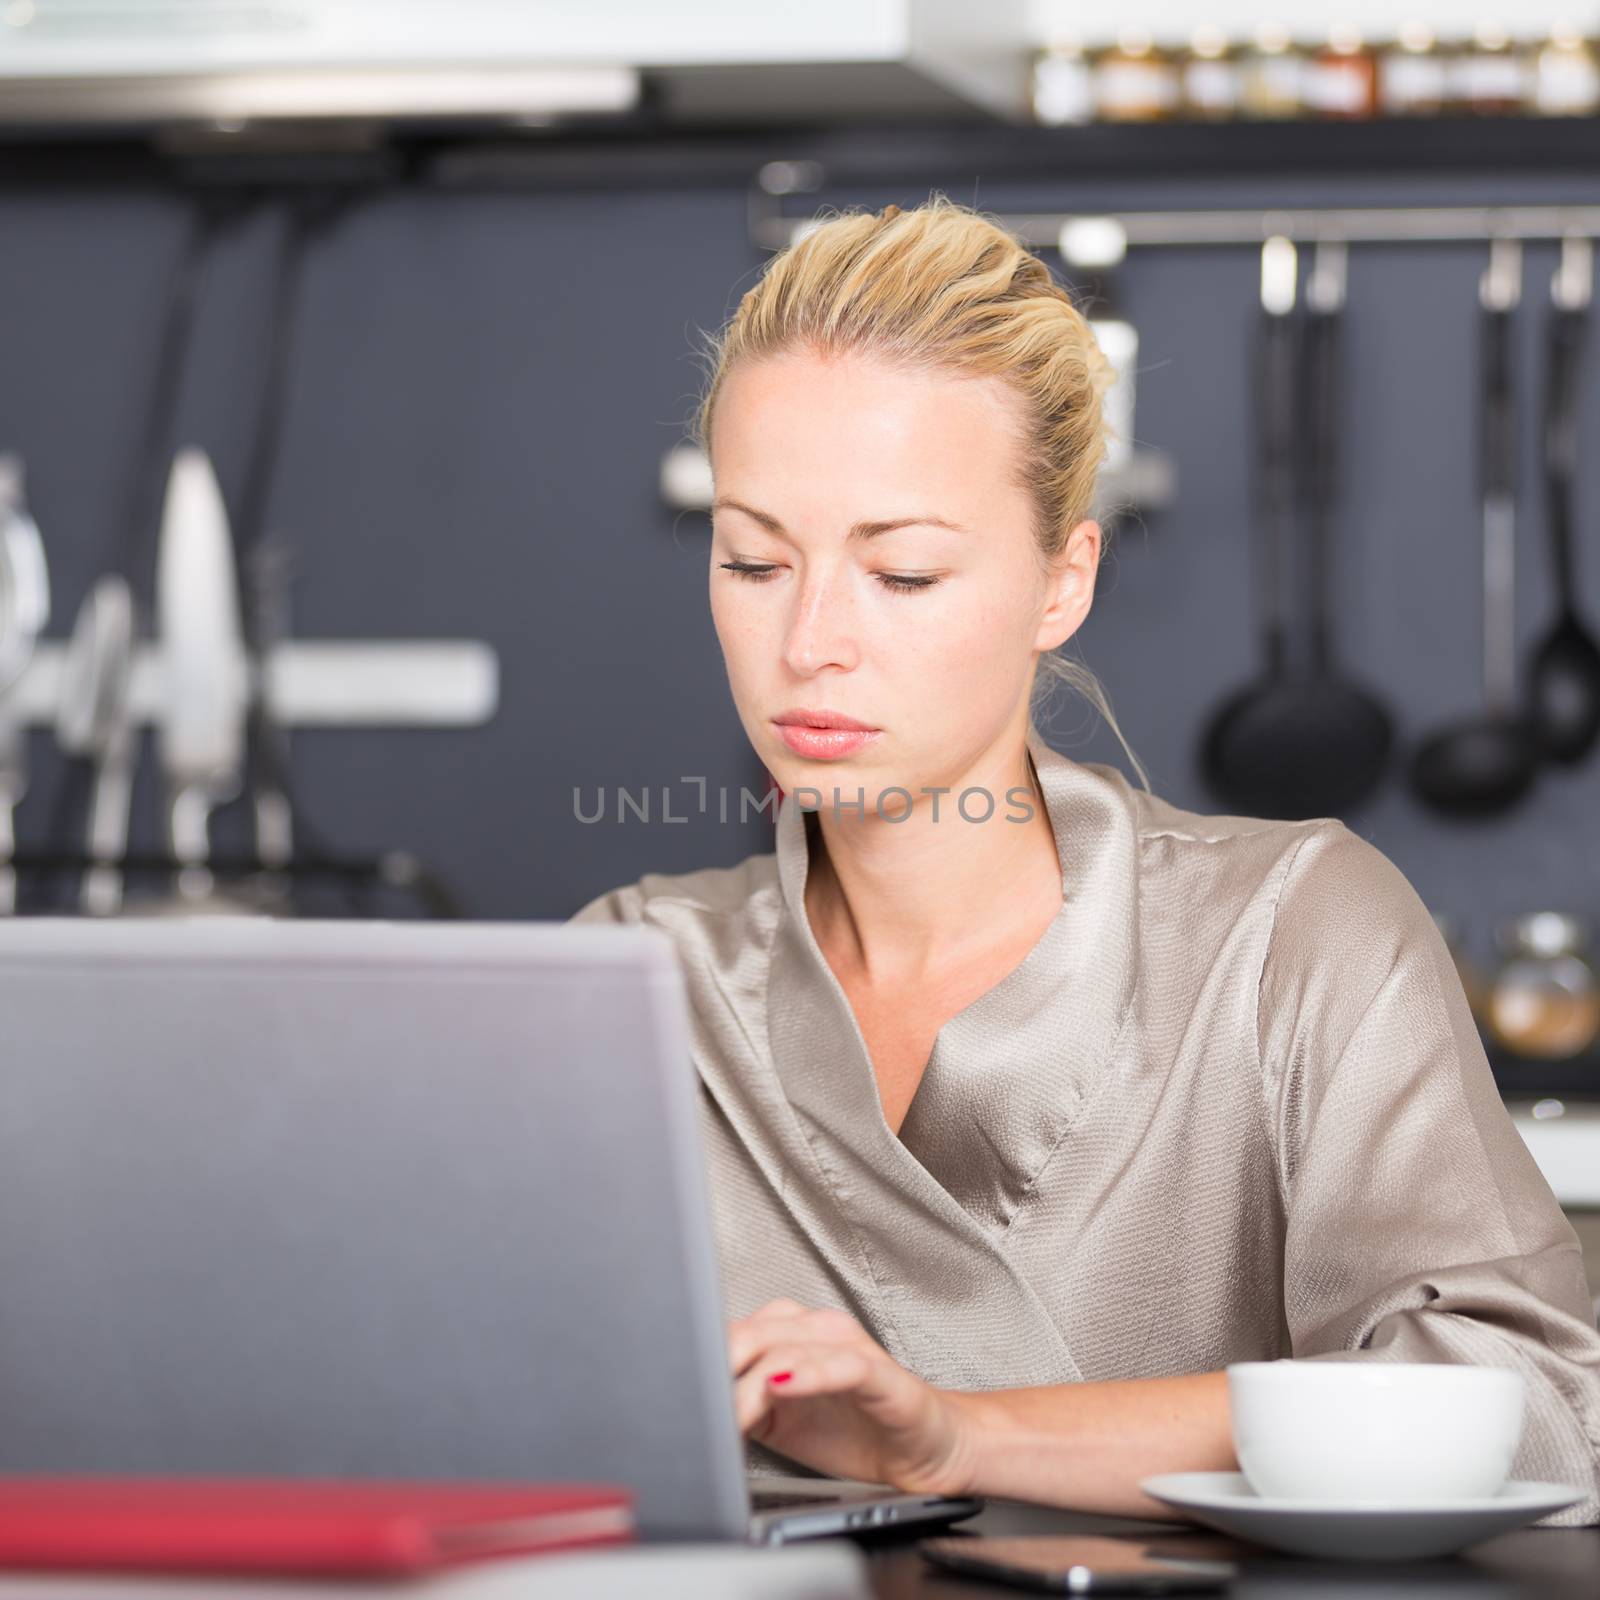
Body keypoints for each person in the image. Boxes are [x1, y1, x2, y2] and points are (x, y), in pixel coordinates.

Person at [570, 196, 1600, 1522]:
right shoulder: (631, 981)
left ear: (1064, 582)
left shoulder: (1291, 940)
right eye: (753, 561)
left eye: (906, 576)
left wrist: (959, 1439)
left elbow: (1532, 1399)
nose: (810, 639)